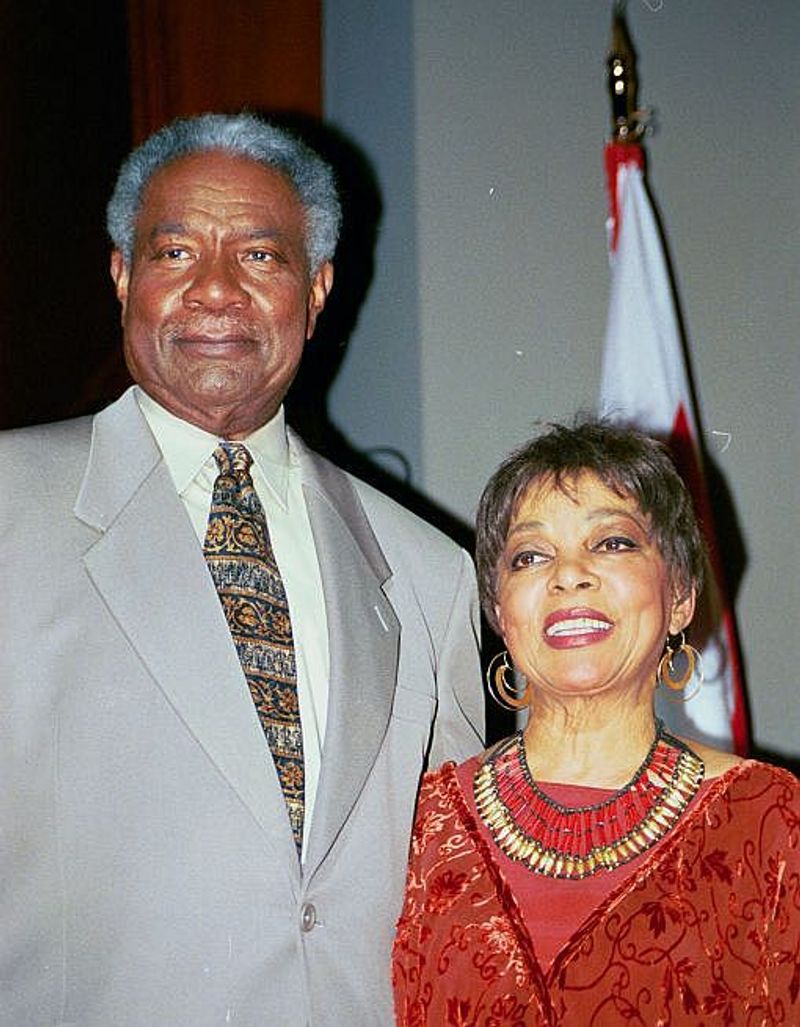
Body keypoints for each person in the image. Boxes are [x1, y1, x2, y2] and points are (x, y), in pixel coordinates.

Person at [0, 112, 484, 1026]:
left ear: (318, 291)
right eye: (175, 252)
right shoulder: (7, 511)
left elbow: (452, 906)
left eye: (261, 257)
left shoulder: (428, 573)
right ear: (120, 277)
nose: (214, 291)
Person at [393, 420, 799, 1026]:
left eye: (612, 542)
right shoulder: (416, 821)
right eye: (530, 556)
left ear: (681, 595)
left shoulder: (768, 820)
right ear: (500, 612)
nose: (569, 574)